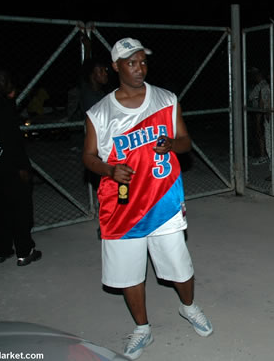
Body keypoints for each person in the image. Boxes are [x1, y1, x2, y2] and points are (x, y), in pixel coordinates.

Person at [82, 38, 213, 359]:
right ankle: (142, 328)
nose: (139, 68)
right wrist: (109, 170)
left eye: (143, 61)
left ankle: (189, 307)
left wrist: (171, 144)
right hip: (122, 206)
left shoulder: (166, 100)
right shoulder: (99, 113)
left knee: (180, 266)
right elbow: (88, 157)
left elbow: (185, 141)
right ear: (115, 67)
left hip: (163, 200)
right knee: (129, 273)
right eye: (131, 63)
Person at [0, 67, 42, 266]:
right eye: (4, 80)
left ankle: (1, 250)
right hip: (10, 166)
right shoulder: (2, 104)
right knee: (20, 208)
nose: (8, 84)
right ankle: (25, 251)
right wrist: (22, 166)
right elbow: (12, 138)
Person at [248, 68, 270, 165]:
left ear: (259, 76)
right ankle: (265, 154)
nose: (254, 77)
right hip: (267, 112)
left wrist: (256, 98)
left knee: (259, 133)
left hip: (259, 112)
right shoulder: (268, 84)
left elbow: (250, 97)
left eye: (256, 75)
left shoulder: (259, 86)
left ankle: (262, 155)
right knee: (265, 134)